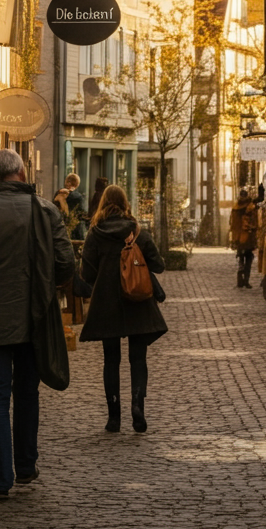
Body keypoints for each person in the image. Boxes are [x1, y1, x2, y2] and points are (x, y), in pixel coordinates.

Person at [0, 149, 75, 499]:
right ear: (22, 172)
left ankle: (0, 480)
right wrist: (46, 288)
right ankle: (25, 465)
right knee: (26, 392)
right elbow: (66, 264)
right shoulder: (47, 211)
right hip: (34, 319)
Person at [79, 185, 167, 433]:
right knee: (138, 359)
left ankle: (113, 417)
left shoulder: (95, 233)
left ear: (102, 204)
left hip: (107, 303)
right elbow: (158, 266)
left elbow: (87, 273)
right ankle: (138, 406)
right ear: (125, 203)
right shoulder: (137, 231)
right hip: (137, 301)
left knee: (111, 360)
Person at [228, 187, 259, 288]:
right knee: (248, 259)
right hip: (248, 236)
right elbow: (255, 222)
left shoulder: (235, 208)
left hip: (238, 237)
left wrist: (233, 239)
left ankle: (240, 280)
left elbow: (232, 224)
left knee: (241, 258)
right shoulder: (251, 207)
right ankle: (245, 280)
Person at [52, 172, 88, 240]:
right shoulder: (79, 197)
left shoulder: (59, 194)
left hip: (60, 228)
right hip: (75, 230)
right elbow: (82, 214)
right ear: (77, 184)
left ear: (67, 182)